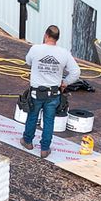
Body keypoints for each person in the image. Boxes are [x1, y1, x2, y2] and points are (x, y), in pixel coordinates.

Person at [21, 26, 80, 157]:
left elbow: (28, 61)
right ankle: (44, 149)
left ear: (46, 35)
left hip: (37, 92)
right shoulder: (64, 53)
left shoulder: (36, 49)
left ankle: (27, 141)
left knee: (32, 117)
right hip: (53, 94)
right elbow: (76, 72)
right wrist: (65, 82)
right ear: (57, 38)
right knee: (49, 121)